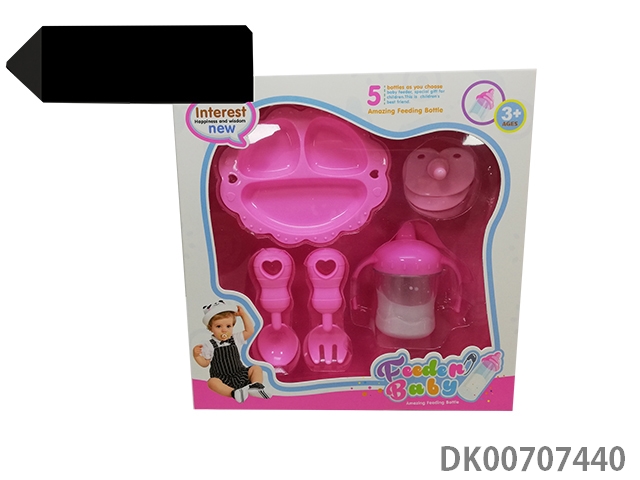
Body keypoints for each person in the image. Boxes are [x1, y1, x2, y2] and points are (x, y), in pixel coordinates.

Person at [193, 299, 271, 403]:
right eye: (218, 326)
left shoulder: (236, 338)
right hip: (222, 379)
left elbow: (250, 330)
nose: (224, 330)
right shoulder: (209, 345)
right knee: (212, 382)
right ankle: (234, 393)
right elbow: (205, 363)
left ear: (233, 326)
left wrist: (243, 315)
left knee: (256, 368)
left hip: (240, 374)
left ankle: (256, 386)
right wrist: (197, 356)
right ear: (211, 328)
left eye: (228, 326)